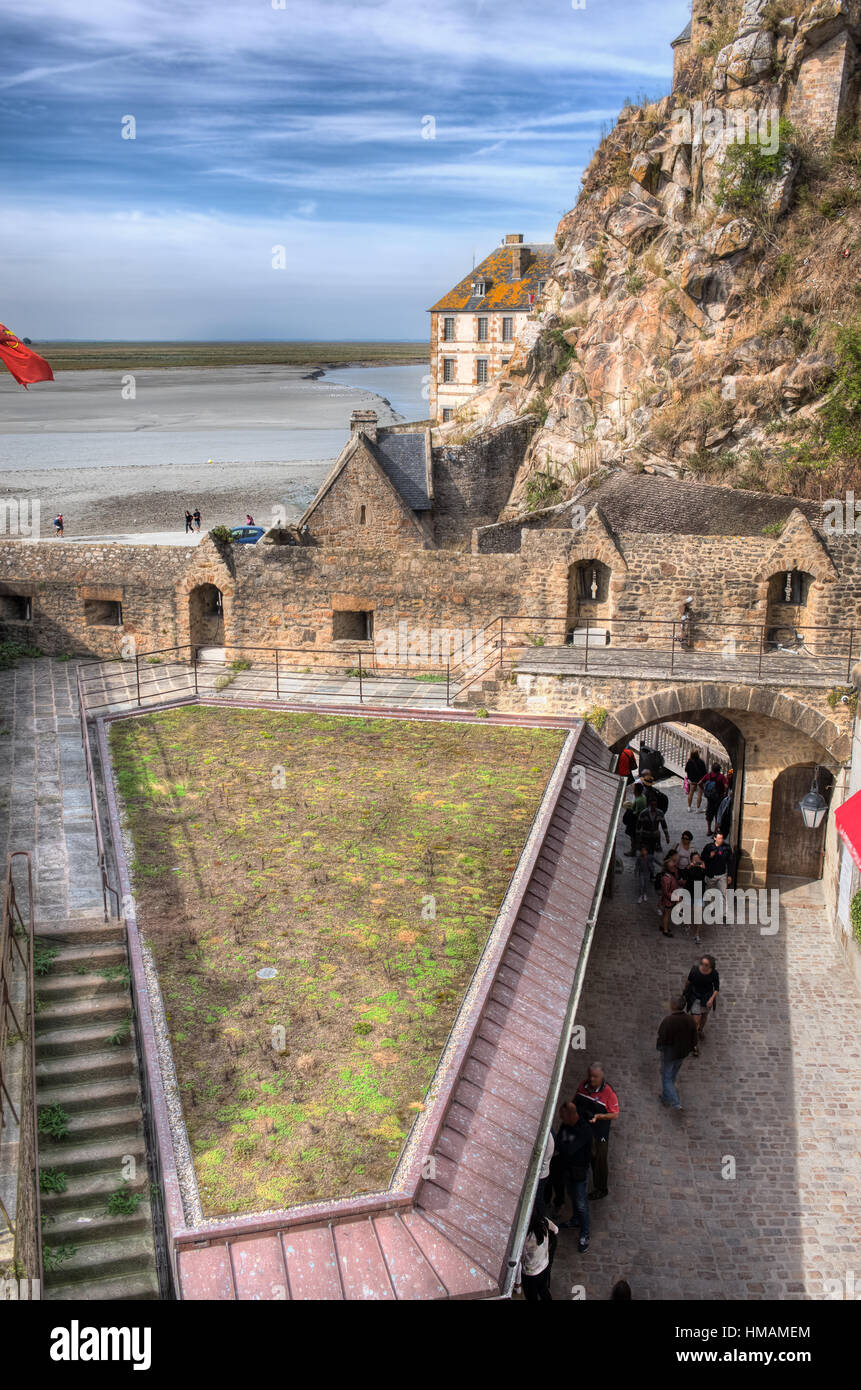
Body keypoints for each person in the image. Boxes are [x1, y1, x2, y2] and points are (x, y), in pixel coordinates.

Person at [550, 1101, 592, 1252]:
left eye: (563, 1117)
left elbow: (567, 1148)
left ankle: (585, 1233)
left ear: (571, 1116)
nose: (561, 1120)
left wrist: (563, 1145)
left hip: (579, 1171)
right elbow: (561, 1142)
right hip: (568, 1168)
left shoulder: (584, 1130)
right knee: (572, 1196)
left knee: (581, 1202)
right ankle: (575, 1220)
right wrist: (563, 1145)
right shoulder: (566, 1125)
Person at [575, 1063, 620, 1201]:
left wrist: (599, 1116)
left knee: (599, 1160)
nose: (592, 1079)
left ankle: (601, 1188)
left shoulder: (608, 1093)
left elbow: (615, 1114)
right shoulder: (583, 1086)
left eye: (595, 1077)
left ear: (602, 1077)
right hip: (583, 1129)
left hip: (599, 1133)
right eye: (590, 1076)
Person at [656, 995, 699, 1109]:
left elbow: (661, 1037)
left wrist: (660, 1049)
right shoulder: (690, 1019)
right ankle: (665, 1098)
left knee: (666, 1077)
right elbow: (694, 1037)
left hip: (670, 1054)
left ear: (674, 1006)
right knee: (672, 1075)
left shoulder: (668, 1021)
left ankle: (675, 1102)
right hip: (682, 1054)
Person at [518, 1208, 559, 1300]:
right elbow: (556, 1230)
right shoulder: (544, 1222)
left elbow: (521, 1257)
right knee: (543, 1289)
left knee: (531, 1295)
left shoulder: (525, 1239)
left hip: (530, 1272)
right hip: (544, 1264)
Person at [684, 954, 720, 1053]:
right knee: (696, 1020)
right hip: (695, 997)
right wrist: (685, 992)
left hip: (707, 998)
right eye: (702, 963)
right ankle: (694, 1043)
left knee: (704, 1017)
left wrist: (711, 999)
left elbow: (717, 989)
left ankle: (700, 1030)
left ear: (710, 966)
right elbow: (688, 982)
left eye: (706, 964)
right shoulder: (695, 970)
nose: (703, 966)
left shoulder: (714, 973)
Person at [636, 795, 669, 875]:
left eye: (655, 805)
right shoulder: (644, 813)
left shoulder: (660, 813)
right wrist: (637, 840)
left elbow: (664, 825)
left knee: (652, 854)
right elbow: (638, 827)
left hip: (655, 837)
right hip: (645, 837)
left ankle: (650, 872)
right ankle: (645, 869)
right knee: (646, 854)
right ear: (649, 804)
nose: (654, 807)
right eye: (652, 805)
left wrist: (667, 836)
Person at [702, 831, 734, 904]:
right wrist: (709, 856)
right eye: (719, 838)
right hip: (711, 875)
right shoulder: (709, 847)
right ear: (715, 838)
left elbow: (730, 862)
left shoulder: (727, 848)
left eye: (722, 838)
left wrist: (730, 875)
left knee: (724, 894)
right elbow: (702, 857)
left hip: (722, 874)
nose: (721, 840)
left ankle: (724, 913)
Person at [700, 764, 728, 836]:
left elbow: (699, 783)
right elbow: (726, 786)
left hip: (710, 799)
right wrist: (725, 793)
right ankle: (715, 831)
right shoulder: (721, 777)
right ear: (719, 769)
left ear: (712, 769)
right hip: (719, 798)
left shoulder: (708, 776)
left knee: (709, 815)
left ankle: (709, 830)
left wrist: (704, 791)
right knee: (717, 815)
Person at [658, 850, 680, 938]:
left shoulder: (672, 874)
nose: (674, 866)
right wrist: (676, 898)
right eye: (672, 865)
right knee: (667, 914)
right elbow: (666, 892)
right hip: (668, 899)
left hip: (670, 897)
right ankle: (665, 930)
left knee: (665, 913)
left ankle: (663, 926)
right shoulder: (666, 878)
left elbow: (676, 881)